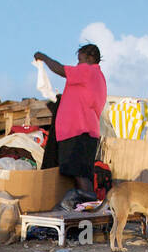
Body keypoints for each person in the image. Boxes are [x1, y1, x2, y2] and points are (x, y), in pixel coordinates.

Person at [34, 44, 107, 199]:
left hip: (77, 131)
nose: (77, 64)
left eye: (80, 60)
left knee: (79, 174)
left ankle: (89, 209)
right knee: (80, 174)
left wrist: (44, 58)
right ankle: (83, 211)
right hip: (86, 132)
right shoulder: (98, 77)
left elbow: (61, 69)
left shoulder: (87, 71)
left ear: (90, 58)